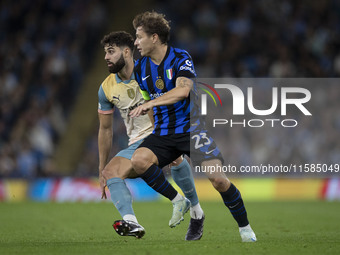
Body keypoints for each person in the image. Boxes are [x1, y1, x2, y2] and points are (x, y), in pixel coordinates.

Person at [129, 11, 257, 242]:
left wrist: (149, 103)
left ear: (155, 37)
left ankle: (245, 227)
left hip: (191, 130)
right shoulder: (140, 69)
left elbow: (182, 90)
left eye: (139, 37)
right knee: (138, 160)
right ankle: (180, 201)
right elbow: (148, 105)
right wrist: (154, 127)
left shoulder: (180, 57)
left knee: (217, 179)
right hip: (164, 133)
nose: (136, 42)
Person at [98, 31, 205, 240]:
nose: (106, 57)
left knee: (177, 159)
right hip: (137, 143)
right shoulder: (106, 88)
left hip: (164, 133)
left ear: (127, 52)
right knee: (110, 172)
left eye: (111, 52)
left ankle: (196, 210)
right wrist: (101, 167)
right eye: (105, 53)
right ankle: (132, 222)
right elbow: (105, 129)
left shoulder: (150, 70)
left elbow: (175, 94)